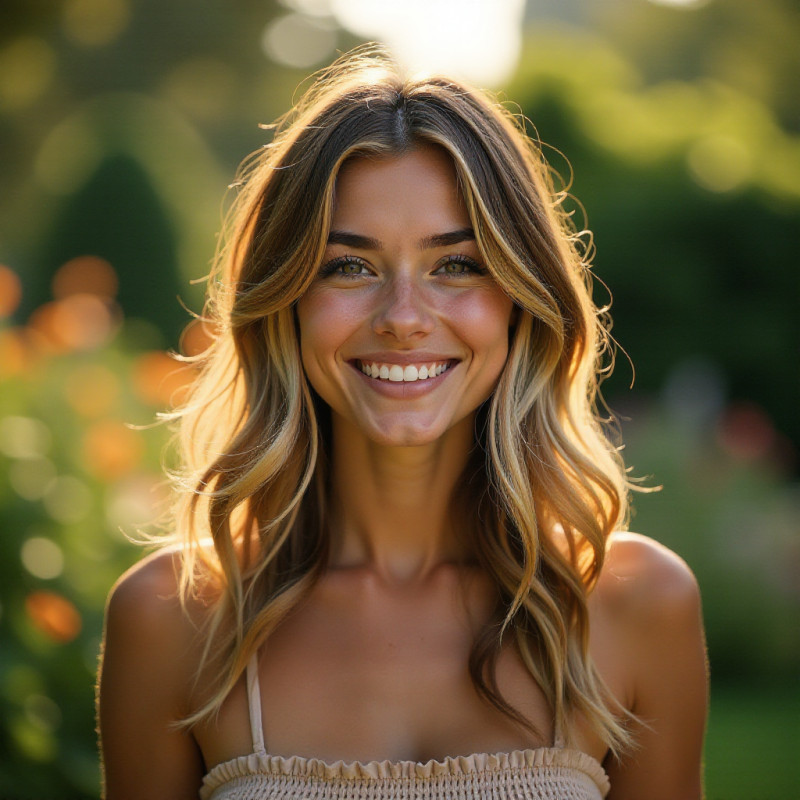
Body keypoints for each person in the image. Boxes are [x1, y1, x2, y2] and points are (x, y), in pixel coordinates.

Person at [97, 47, 708, 800]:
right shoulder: (171, 620)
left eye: (457, 265)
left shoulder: (636, 605)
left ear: (522, 299)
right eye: (348, 267)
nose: (404, 320)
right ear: (283, 302)